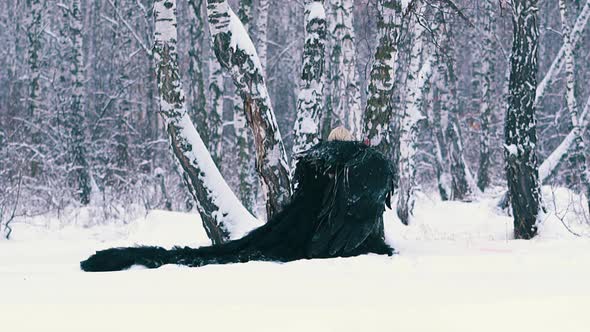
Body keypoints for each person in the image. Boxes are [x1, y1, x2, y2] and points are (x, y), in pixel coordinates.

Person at [80, 127, 395, 272]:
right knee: (239, 253)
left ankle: (126, 258)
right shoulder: (360, 166)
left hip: (295, 229)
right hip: (314, 238)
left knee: (233, 252)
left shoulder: (317, 162)